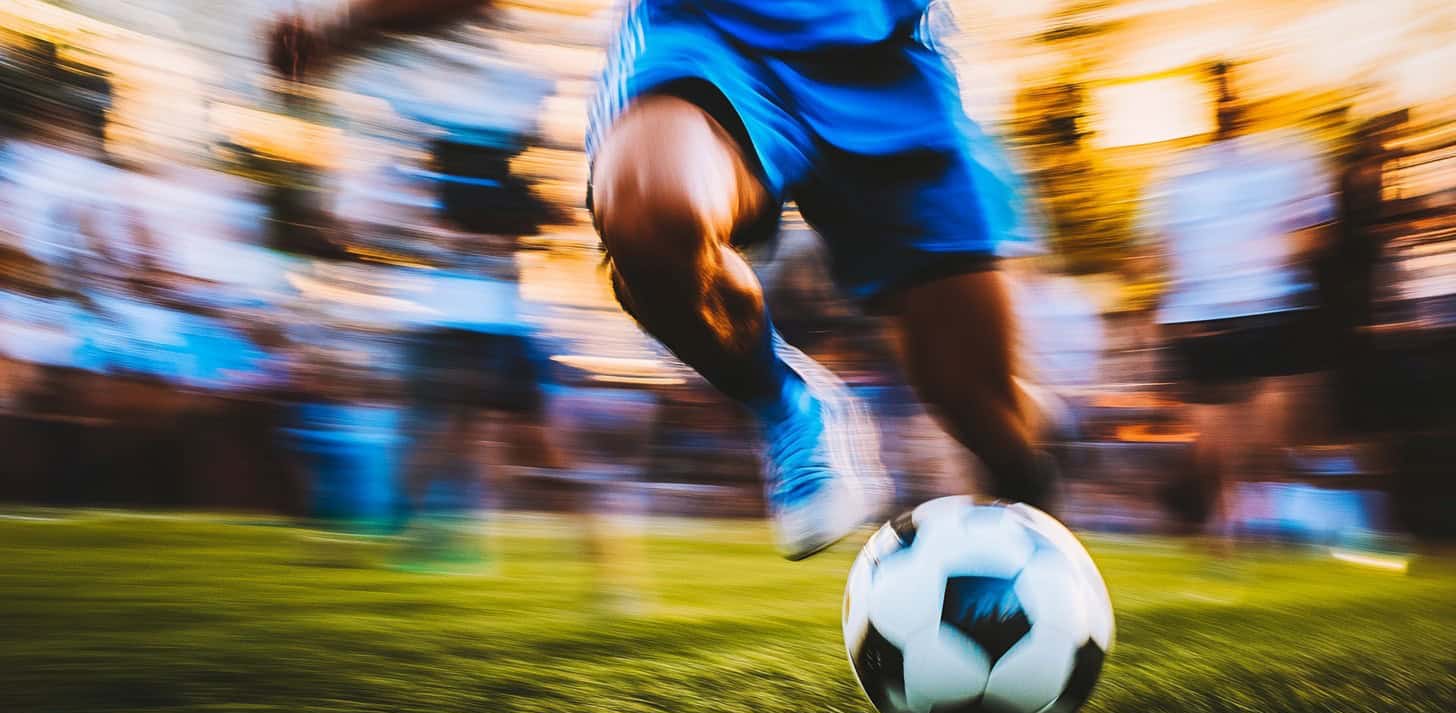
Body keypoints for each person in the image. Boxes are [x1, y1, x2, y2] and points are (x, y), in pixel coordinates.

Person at [268, 0, 1053, 559]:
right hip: (709, 42)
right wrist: (342, 29)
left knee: (984, 410)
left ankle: (1038, 542)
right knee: (647, 209)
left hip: (891, 66)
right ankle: (785, 401)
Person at [1139, 61, 1335, 551]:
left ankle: (1260, 511)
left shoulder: (1291, 156)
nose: (1226, 101)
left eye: (1232, 90)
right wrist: (1166, 298)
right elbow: (1150, 251)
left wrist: (1264, 255)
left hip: (1271, 307)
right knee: (1214, 439)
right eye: (1216, 91)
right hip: (1199, 314)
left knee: (1272, 434)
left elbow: (1315, 230)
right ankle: (1225, 527)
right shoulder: (1176, 176)